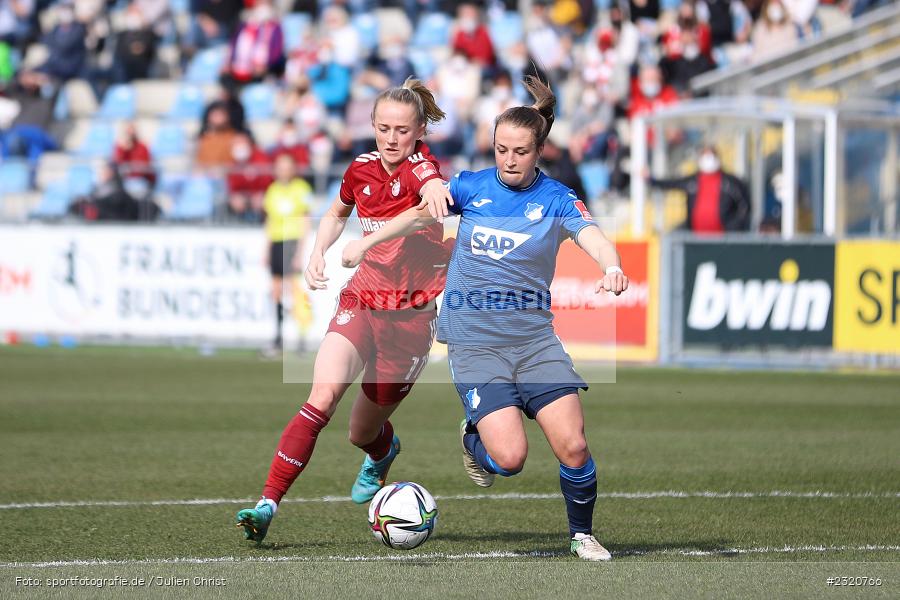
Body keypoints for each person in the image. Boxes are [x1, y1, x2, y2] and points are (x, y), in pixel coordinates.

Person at [341, 77, 628, 562]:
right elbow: (417, 214)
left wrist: (612, 265)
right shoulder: (471, 187)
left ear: (539, 150)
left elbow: (593, 235)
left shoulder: (557, 198)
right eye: (500, 150)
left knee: (574, 446)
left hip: (534, 341)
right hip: (475, 342)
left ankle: (582, 535)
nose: (508, 160)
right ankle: (473, 437)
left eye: (519, 151)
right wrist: (365, 241)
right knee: (510, 460)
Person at [236, 78, 450, 543]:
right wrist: (317, 252)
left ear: (418, 133)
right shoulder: (361, 168)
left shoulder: (422, 168)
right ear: (372, 126)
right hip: (362, 299)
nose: (392, 139)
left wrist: (427, 195)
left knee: (361, 432)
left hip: (411, 320)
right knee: (321, 398)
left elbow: (424, 204)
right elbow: (335, 212)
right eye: (383, 128)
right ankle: (267, 504)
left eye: (402, 130)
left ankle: (383, 450)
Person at [261, 153, 313, 356]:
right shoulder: (272, 189)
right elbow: (269, 221)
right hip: (276, 241)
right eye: (279, 166)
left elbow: (305, 220)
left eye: (286, 166)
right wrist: (266, 249)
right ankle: (278, 337)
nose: (283, 170)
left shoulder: (301, 189)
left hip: (292, 240)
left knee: (295, 290)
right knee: (276, 290)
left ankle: (301, 337)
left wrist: (300, 251)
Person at [648, 145, 751, 233]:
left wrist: (734, 226)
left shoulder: (730, 182)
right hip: (696, 238)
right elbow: (671, 183)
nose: (708, 159)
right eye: (705, 155)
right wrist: (650, 179)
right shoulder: (693, 181)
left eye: (711, 155)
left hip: (723, 238)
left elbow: (744, 204)